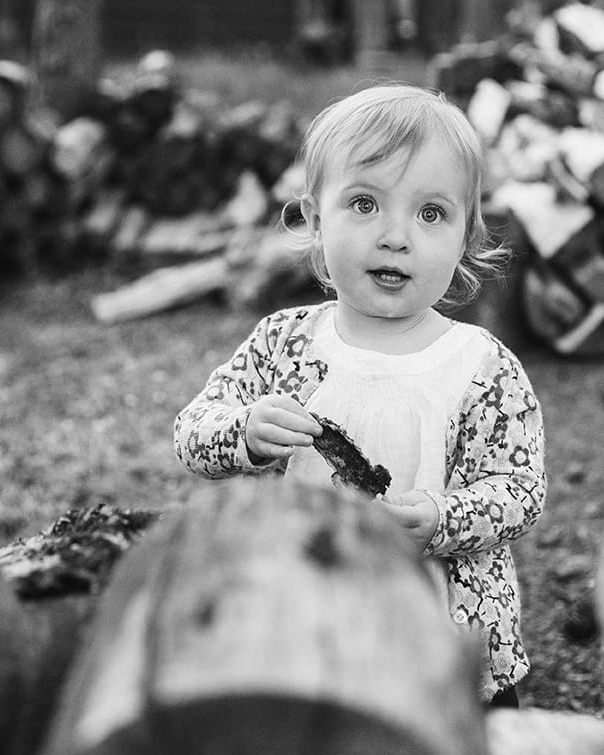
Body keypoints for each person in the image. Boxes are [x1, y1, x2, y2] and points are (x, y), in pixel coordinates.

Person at [173, 82, 546, 707]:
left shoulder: (481, 366)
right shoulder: (284, 343)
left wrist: (443, 515)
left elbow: (521, 489)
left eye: (431, 213)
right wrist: (244, 431)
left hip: (446, 638)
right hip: (303, 627)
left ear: (465, 237)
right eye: (365, 204)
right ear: (316, 222)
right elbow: (191, 434)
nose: (395, 236)